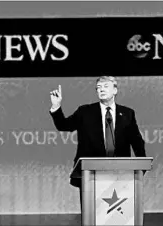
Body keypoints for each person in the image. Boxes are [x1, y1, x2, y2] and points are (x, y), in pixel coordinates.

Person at [49, 75, 146, 208]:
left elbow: (137, 141)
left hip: (120, 173)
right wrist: (56, 107)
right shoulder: (85, 111)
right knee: (92, 215)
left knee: (119, 214)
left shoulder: (127, 113)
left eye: (106, 86)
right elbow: (64, 126)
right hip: (91, 174)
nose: (101, 90)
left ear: (115, 90)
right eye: (98, 88)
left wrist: (141, 168)